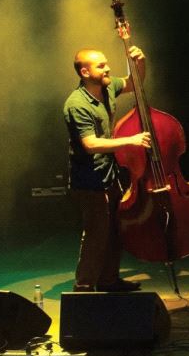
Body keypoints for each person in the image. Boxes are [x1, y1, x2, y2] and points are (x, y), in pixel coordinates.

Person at [63, 47, 151, 292]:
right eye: (101, 66)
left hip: (109, 174)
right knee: (96, 236)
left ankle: (109, 280)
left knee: (115, 231)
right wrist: (130, 140)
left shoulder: (107, 86)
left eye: (106, 64)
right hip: (89, 180)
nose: (108, 69)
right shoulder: (77, 104)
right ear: (85, 72)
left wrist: (140, 62)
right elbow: (90, 145)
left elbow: (134, 82)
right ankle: (83, 288)